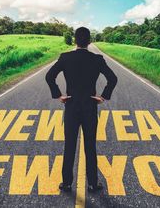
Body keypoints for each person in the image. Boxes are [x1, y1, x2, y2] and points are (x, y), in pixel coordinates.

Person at [45, 27, 117, 193]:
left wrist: (59, 95)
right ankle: (92, 183)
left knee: (69, 145)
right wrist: (103, 96)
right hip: (89, 107)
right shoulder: (97, 59)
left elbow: (49, 77)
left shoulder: (65, 58)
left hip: (71, 107)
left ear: (75, 41)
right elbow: (113, 79)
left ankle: (67, 183)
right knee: (90, 146)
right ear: (89, 41)